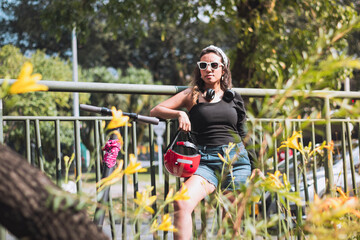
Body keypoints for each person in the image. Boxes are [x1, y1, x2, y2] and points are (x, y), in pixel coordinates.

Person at [150, 45, 258, 240]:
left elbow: (243, 132)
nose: (209, 69)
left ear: (223, 69)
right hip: (206, 162)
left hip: (236, 162)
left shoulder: (233, 97)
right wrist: (180, 113)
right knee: (181, 203)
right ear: (199, 69)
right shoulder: (192, 94)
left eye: (214, 65)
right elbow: (156, 110)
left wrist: (256, 166)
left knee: (230, 220)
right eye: (204, 65)